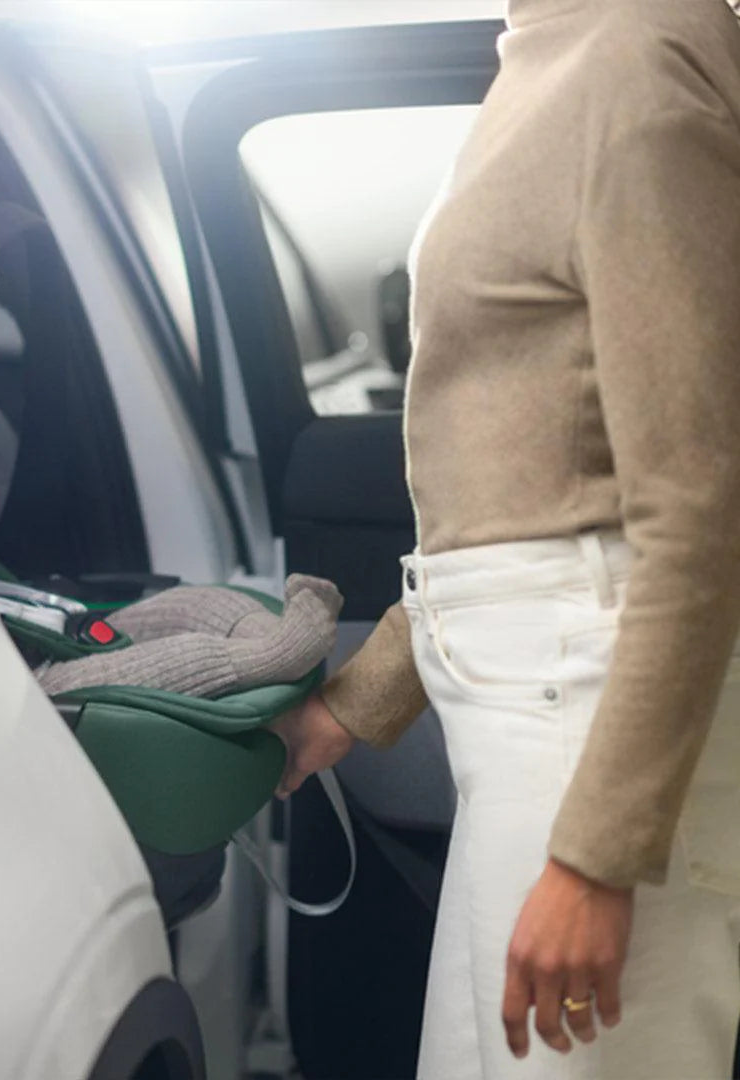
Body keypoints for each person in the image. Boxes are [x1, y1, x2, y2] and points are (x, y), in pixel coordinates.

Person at [272, 1, 740, 1077]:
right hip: (541, 722)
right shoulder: (553, 50)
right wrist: (354, 703)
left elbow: (698, 503)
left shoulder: (633, 52)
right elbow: (520, 486)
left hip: (587, 727)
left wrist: (597, 858)